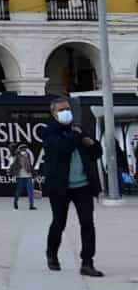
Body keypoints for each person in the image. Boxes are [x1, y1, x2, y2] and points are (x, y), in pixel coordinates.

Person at [40, 96, 104, 277]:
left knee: (87, 223)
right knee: (59, 222)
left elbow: (96, 152)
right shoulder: (49, 132)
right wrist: (78, 136)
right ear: (53, 113)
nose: (66, 112)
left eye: (67, 109)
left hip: (82, 185)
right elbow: (64, 147)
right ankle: (52, 254)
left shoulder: (78, 129)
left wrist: (92, 144)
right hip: (60, 187)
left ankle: (87, 262)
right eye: (61, 110)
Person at [12, 145, 38, 211]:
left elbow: (29, 164)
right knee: (19, 190)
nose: (25, 149)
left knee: (30, 191)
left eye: (25, 148)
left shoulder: (28, 155)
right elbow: (14, 165)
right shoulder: (17, 156)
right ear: (20, 149)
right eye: (23, 148)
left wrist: (33, 172)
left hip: (28, 175)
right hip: (20, 176)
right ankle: (15, 202)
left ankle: (31, 205)